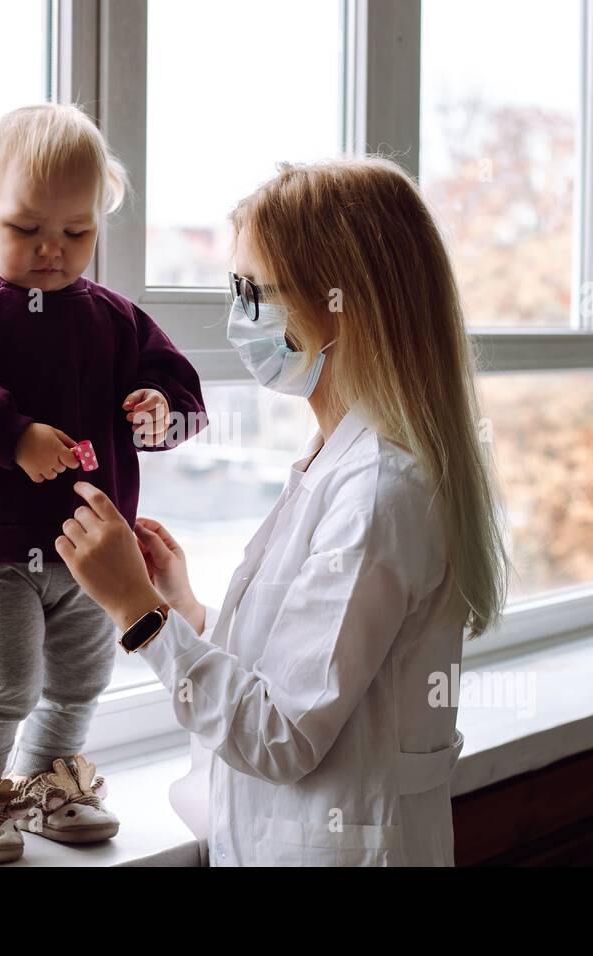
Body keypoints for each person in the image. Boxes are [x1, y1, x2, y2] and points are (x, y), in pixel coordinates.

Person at [55, 157, 508, 866]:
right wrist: (184, 611)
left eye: (254, 291)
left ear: (343, 303)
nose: (239, 318)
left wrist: (138, 614)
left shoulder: (380, 493)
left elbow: (282, 735)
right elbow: (308, 671)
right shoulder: (342, 460)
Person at [0, 103, 207, 864]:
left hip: (89, 548)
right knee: (4, 676)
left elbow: (183, 393)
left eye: (77, 233)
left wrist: (160, 412)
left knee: (80, 677)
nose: (52, 251)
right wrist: (14, 436)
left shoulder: (115, 319)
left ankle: (47, 788)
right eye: (27, 230)